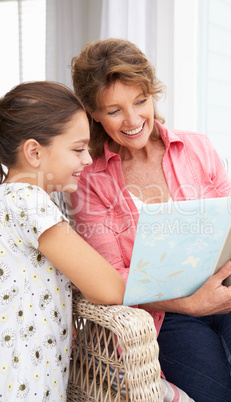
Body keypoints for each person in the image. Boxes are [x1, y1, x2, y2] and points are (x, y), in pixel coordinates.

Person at [69, 38, 231, 402]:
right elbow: (112, 276)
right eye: (114, 110)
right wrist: (191, 304)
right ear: (93, 113)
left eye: (141, 101)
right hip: (170, 315)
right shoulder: (87, 180)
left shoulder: (197, 148)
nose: (132, 121)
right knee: (219, 393)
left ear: (152, 94)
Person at [0, 81, 125, 401]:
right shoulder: (30, 201)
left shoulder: (10, 199)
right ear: (34, 151)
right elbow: (109, 289)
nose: (87, 160)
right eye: (78, 148)